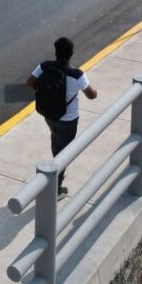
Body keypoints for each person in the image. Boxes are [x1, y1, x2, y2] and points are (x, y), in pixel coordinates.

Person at [26, 37, 98, 199]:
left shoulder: (44, 66)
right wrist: (95, 92)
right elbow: (91, 95)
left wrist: (47, 93)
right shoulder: (77, 74)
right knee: (64, 152)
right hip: (69, 119)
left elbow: (29, 83)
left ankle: (54, 169)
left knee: (56, 140)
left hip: (48, 114)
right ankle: (55, 189)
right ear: (71, 54)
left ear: (56, 52)